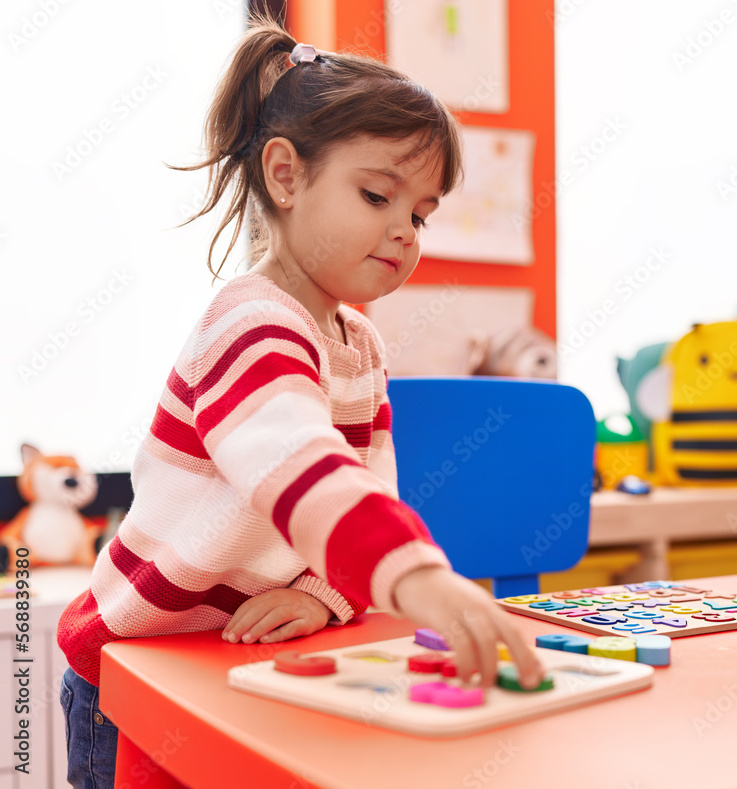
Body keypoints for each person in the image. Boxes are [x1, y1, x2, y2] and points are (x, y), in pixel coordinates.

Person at [56, 13, 543, 788]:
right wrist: (418, 575)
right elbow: (298, 465)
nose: (405, 232)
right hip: (140, 661)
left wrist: (323, 592)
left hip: (238, 660)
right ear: (285, 176)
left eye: (420, 214)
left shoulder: (362, 345)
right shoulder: (250, 322)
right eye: (378, 195)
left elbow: (368, 484)